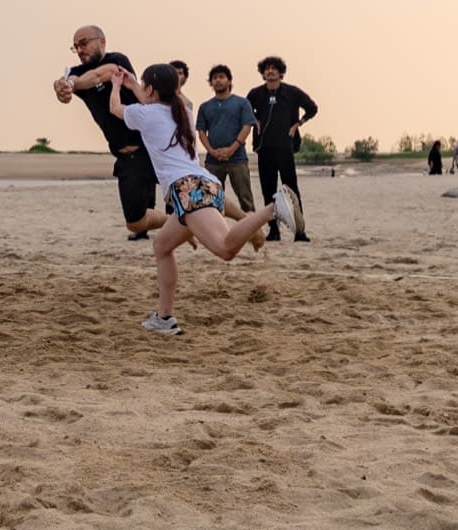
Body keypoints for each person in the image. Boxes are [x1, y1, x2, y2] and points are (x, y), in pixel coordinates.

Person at [106, 63, 290, 337]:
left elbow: (115, 109)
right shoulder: (183, 111)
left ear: (152, 89)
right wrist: (135, 84)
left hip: (188, 191)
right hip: (204, 184)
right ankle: (164, 318)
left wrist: (117, 86)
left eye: (145, 87)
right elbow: (152, 101)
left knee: (225, 249)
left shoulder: (144, 114)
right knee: (161, 247)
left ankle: (274, 208)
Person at [53, 26, 163, 241]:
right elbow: (65, 89)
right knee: (135, 222)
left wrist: (73, 83)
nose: (79, 49)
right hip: (126, 157)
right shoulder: (75, 73)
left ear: (102, 41)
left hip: (151, 148)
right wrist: (62, 87)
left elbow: (99, 75)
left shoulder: (117, 60)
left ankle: (242, 217)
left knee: (195, 195)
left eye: (84, 43)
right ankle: (176, 223)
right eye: (75, 46)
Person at [246, 56, 317, 242]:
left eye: (274, 68)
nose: (270, 71)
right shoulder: (255, 94)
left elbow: (312, 108)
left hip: (285, 147)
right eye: (266, 69)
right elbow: (244, 111)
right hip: (264, 148)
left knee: (291, 188)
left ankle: (299, 231)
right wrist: (257, 121)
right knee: (268, 190)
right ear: (262, 72)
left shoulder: (292, 92)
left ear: (280, 72)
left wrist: (297, 124)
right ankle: (273, 230)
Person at [195, 64, 255, 212]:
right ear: (211, 83)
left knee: (245, 198)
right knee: (211, 200)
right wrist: (211, 151)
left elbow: (247, 126)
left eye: (221, 77)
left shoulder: (242, 103)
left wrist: (231, 149)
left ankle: (253, 233)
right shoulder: (205, 107)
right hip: (213, 161)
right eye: (214, 78)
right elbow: (201, 131)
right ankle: (215, 232)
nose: (218, 81)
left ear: (229, 80)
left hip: (237, 159)